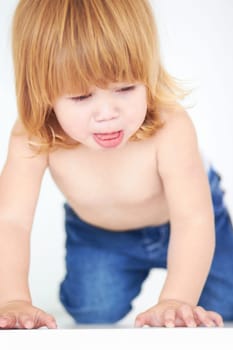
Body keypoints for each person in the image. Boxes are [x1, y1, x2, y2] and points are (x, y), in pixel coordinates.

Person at [0, 0, 232, 329]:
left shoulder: (170, 125)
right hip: (100, 234)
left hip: (188, 220)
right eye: (81, 97)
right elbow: (10, 221)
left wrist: (176, 300)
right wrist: (13, 300)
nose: (107, 113)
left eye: (125, 88)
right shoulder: (33, 136)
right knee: (92, 311)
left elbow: (193, 217)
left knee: (226, 303)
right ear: (42, 93)